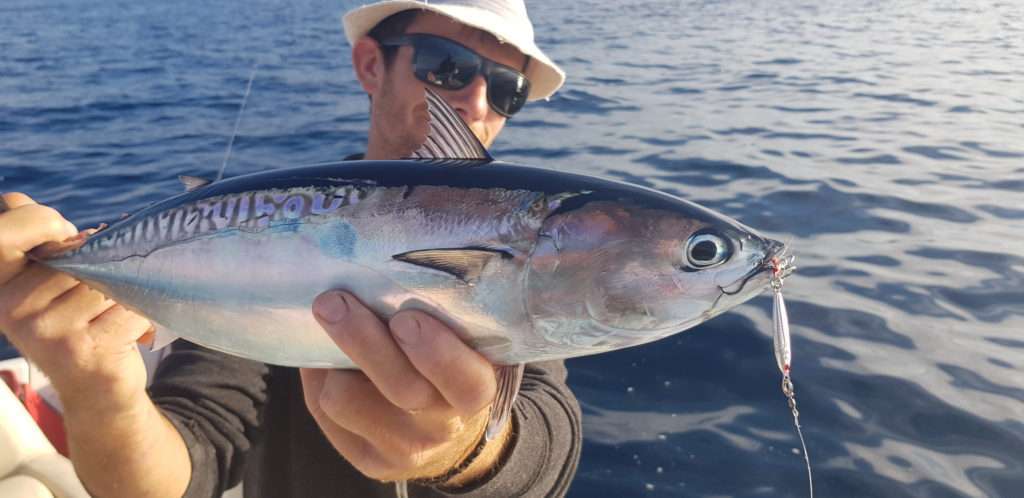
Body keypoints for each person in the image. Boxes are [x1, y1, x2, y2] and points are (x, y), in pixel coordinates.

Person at [0, 1, 581, 497]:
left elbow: (548, 437)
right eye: (447, 66)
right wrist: (96, 383)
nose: (476, 102)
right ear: (371, 64)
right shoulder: (262, 235)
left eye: (508, 89)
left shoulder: (529, 253)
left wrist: (468, 448)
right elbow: (192, 455)